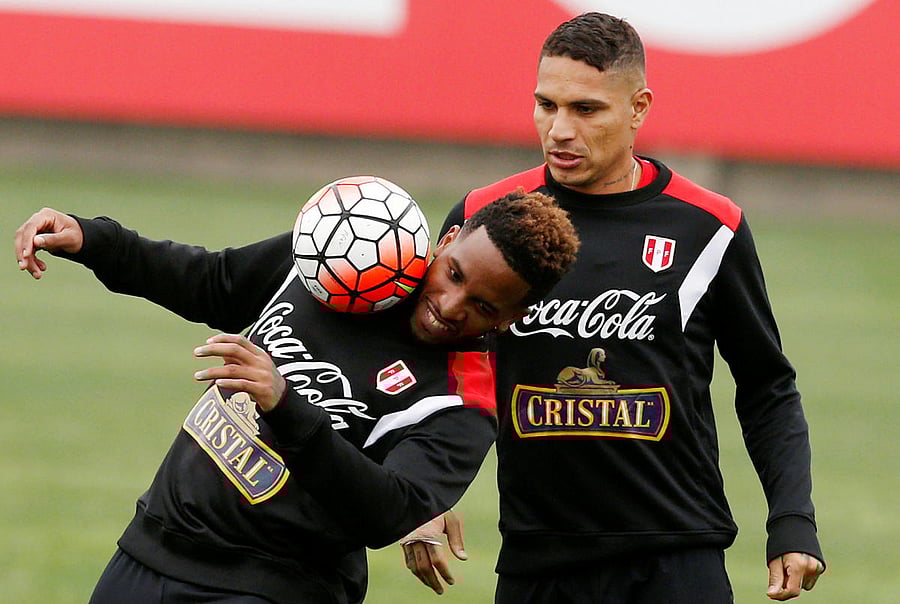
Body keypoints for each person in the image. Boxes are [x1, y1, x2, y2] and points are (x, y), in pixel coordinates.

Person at [401, 12, 825, 603]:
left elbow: (766, 385)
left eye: (586, 109)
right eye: (546, 105)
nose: (559, 130)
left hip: (677, 559)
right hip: (536, 562)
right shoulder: (486, 218)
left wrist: (792, 518)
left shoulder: (709, 226)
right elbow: (425, 364)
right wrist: (420, 491)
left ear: (638, 108)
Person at [13, 188, 580, 604]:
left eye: (483, 305)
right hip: (150, 546)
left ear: (513, 317)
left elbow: (389, 511)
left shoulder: (464, 402)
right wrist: (95, 240)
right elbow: (216, 282)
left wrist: (286, 405)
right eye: (454, 275)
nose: (451, 306)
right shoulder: (345, 251)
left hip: (272, 588)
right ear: (447, 241)